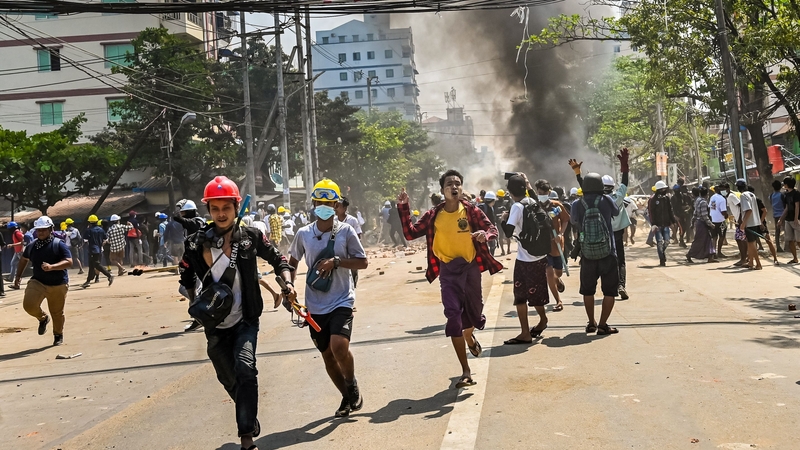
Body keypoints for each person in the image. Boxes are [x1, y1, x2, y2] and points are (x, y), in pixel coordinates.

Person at [180, 176, 295, 450]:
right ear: (208, 211)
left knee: (246, 370)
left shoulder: (250, 237)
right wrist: (194, 294)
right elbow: (185, 275)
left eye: (226, 208)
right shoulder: (196, 243)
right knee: (228, 378)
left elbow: (278, 258)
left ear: (235, 208)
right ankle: (248, 413)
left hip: (246, 319)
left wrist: (287, 282)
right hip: (215, 324)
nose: (221, 214)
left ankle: (246, 438)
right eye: (215, 208)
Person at [397, 170, 502, 388]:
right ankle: (465, 371)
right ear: (443, 190)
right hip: (447, 272)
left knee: (474, 315)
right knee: (453, 317)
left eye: (457, 183)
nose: (454, 187)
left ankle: (470, 337)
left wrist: (486, 235)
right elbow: (410, 233)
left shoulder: (472, 211)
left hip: (470, 269)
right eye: (449, 184)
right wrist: (404, 207)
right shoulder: (434, 215)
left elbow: (491, 228)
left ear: (462, 188)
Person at [288, 179, 368, 417]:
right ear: (313, 204)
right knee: (327, 354)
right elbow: (291, 262)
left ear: (336, 205)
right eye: (319, 202)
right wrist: (288, 284)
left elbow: (362, 261)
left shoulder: (346, 231)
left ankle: (351, 382)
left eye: (328, 202)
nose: (323, 206)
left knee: (339, 347)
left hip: (342, 299)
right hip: (314, 304)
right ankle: (346, 397)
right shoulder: (303, 234)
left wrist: (337, 262)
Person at [500, 174, 551, 345]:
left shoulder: (517, 207)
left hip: (525, 259)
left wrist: (503, 220)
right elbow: (535, 198)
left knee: (520, 296)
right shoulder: (532, 202)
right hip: (540, 256)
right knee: (536, 294)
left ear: (509, 191)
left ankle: (524, 333)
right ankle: (542, 320)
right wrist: (528, 184)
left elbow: (508, 232)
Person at [570, 172, 620, 335]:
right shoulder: (606, 200)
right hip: (608, 253)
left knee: (588, 290)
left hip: (587, 254)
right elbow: (616, 213)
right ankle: (602, 325)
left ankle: (591, 323)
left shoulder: (577, 203)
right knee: (609, 291)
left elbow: (573, 221)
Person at [14, 216, 72, 346]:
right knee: (28, 305)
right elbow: (23, 259)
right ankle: (43, 318)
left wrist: (52, 267)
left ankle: (58, 335)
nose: (40, 232)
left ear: (51, 229)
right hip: (38, 282)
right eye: (38, 230)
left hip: (58, 283)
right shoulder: (32, 245)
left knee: (57, 312)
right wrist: (18, 277)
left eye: (44, 230)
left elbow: (69, 262)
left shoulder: (58, 244)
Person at [539, 181, 570, 311]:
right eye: (540, 193)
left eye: (544, 193)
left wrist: (561, 234)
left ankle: (558, 281)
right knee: (549, 274)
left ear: (549, 192)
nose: (542, 195)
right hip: (543, 246)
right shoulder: (535, 206)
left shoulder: (556, 206)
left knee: (558, 272)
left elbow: (566, 220)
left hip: (556, 245)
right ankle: (558, 301)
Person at [648, 181, 676, 266]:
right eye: (663, 189)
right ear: (659, 189)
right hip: (657, 225)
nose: (665, 190)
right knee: (659, 242)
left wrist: (673, 221)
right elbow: (651, 212)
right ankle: (662, 259)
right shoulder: (653, 199)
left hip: (666, 224)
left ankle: (662, 253)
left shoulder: (666, 198)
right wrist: (653, 224)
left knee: (667, 241)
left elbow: (670, 210)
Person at [81, 215, 113, 288]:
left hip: (92, 249)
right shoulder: (101, 230)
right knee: (91, 266)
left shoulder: (88, 230)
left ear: (89, 222)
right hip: (99, 249)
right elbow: (105, 239)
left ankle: (109, 275)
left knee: (96, 264)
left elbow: (85, 240)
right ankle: (88, 281)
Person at [686, 187, 716, 263]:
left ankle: (710, 256)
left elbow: (695, 213)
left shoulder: (697, 201)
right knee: (699, 241)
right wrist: (710, 224)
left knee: (707, 240)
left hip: (699, 223)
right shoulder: (703, 203)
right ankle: (690, 254)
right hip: (703, 224)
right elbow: (704, 215)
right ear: (707, 194)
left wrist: (692, 222)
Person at [737, 179, 763, 270]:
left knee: (751, 244)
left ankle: (758, 264)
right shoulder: (752, 194)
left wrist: (743, 223)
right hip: (755, 221)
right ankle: (751, 263)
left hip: (750, 223)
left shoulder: (743, 195)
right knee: (750, 244)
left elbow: (749, 210)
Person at [750, 185, 779, 265]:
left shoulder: (757, 200)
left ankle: (775, 259)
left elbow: (765, 211)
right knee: (752, 243)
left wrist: (761, 222)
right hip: (752, 224)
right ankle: (752, 261)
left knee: (768, 240)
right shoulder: (747, 201)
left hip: (760, 224)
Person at [778, 177, 800, 263]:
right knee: (790, 239)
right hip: (788, 219)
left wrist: (796, 218)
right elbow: (787, 208)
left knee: (799, 240)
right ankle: (795, 258)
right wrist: (781, 219)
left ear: (787, 184)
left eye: (784, 183)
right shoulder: (785, 194)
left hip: (796, 220)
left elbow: (797, 206)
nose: (783, 185)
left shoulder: (796, 193)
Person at [709, 183, 729, 258]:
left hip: (713, 220)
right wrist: (726, 215)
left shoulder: (712, 197)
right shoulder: (722, 199)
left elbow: (712, 207)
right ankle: (719, 252)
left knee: (714, 237)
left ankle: (713, 253)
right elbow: (723, 211)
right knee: (721, 236)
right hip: (721, 221)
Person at [478, 191, 498, 256]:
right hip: (484, 231)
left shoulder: (490, 208)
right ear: (493, 200)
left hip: (490, 231)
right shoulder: (482, 207)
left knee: (492, 246)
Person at [770, 180, 785, 252]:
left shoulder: (771, 196)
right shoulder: (782, 195)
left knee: (777, 231)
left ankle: (778, 246)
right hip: (783, 215)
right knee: (786, 230)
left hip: (775, 215)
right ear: (780, 187)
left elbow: (771, 204)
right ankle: (787, 246)